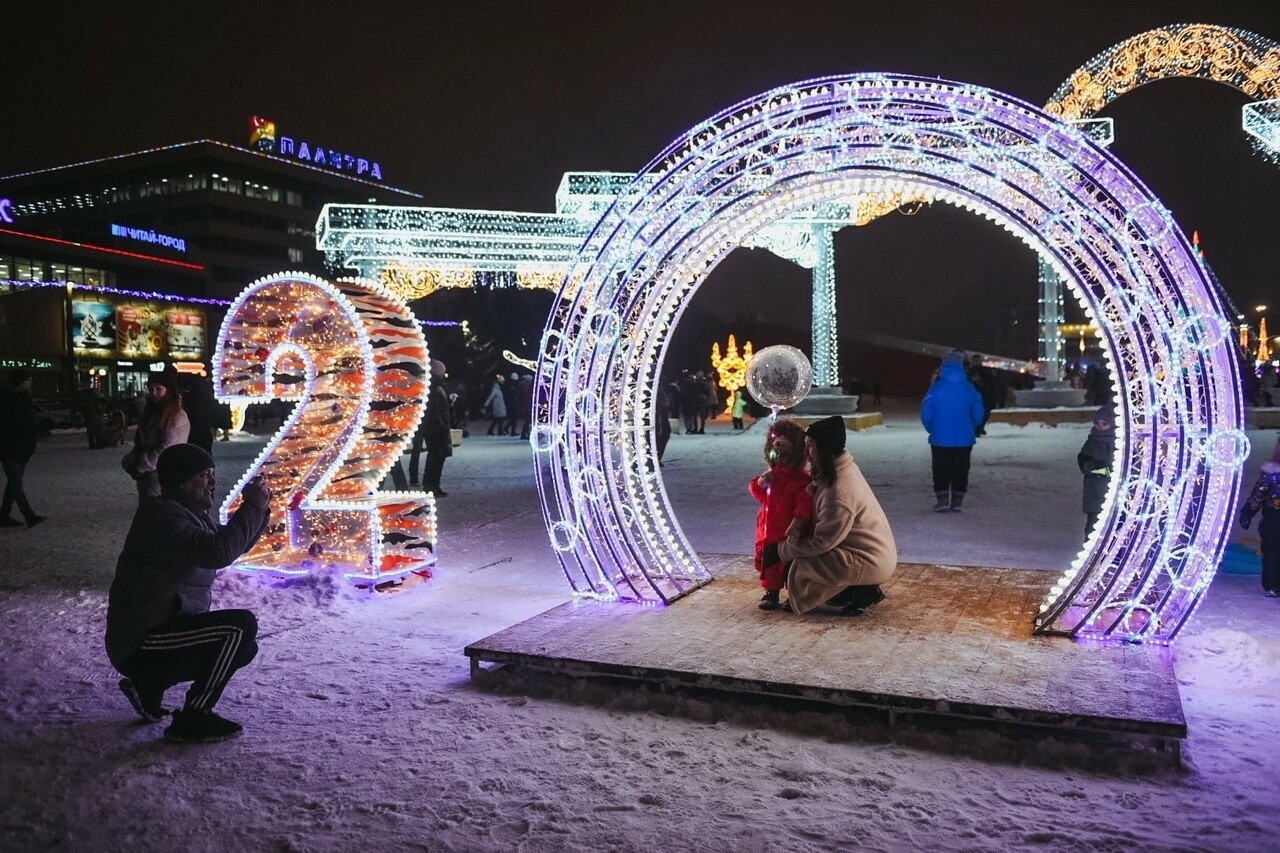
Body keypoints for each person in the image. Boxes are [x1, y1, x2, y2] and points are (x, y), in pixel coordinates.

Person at [105, 443, 271, 743]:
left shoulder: (188, 515)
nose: (212, 481)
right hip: (142, 640)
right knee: (238, 629)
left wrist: (259, 511)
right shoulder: (162, 518)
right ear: (181, 480)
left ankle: (148, 686)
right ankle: (194, 716)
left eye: (212, 474)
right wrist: (252, 508)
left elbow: (232, 544)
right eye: (204, 475)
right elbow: (218, 552)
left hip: (161, 632)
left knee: (243, 646)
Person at [764, 415, 896, 615]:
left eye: (811, 447)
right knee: (801, 555)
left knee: (801, 565)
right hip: (867, 552)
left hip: (869, 559)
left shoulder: (839, 492)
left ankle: (863, 589)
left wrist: (782, 550)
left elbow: (822, 542)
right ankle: (848, 590)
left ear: (824, 450)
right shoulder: (838, 468)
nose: (807, 454)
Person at [748, 419, 812, 610]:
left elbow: (804, 502)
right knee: (769, 564)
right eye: (777, 454)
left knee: (789, 565)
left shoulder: (800, 479)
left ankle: (795, 593)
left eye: (785, 455)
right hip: (767, 529)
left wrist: (799, 521)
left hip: (786, 531)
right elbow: (759, 494)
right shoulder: (772, 475)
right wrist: (760, 483)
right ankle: (771, 592)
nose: (781, 459)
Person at [921, 350, 984, 512]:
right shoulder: (969, 388)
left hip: (939, 438)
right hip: (964, 438)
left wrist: (932, 428)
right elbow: (978, 412)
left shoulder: (936, 388)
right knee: (961, 468)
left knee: (941, 468)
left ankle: (942, 500)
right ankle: (957, 501)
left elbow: (926, 412)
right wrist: (971, 426)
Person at [122, 367, 190, 501]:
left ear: (168, 391)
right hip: (148, 475)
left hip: (165, 475)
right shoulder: (148, 412)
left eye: (158, 389)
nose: (154, 393)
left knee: (158, 512)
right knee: (148, 510)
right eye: (151, 389)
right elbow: (140, 442)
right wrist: (131, 461)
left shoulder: (176, 416)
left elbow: (166, 448)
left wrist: (142, 466)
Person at [0, 369, 47, 528]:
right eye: (28, 380)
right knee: (15, 483)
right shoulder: (6, 399)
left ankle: (4, 515)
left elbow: (28, 425)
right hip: (9, 448)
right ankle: (29, 515)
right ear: (20, 382)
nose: (30, 382)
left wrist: (31, 441)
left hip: (22, 448)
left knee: (14, 483)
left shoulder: (24, 397)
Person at [1239, 436, 1280, 598]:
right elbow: (1259, 494)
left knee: (1273, 551)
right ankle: (1272, 584)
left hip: (1272, 518)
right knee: (1272, 551)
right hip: (1273, 519)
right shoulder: (1271, 473)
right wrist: (1247, 512)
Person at [411, 360, 453, 496]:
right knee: (436, 457)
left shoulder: (432, 389)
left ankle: (433, 485)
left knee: (436, 457)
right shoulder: (434, 390)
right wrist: (442, 429)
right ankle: (431, 485)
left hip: (434, 429)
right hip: (436, 430)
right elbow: (435, 412)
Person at [1077, 403, 1116, 536]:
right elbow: (1084, 462)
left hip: (1114, 492)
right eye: (1097, 423)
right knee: (1093, 527)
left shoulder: (1118, 442)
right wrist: (1097, 469)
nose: (1100, 426)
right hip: (1094, 493)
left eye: (1104, 423)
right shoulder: (1092, 441)